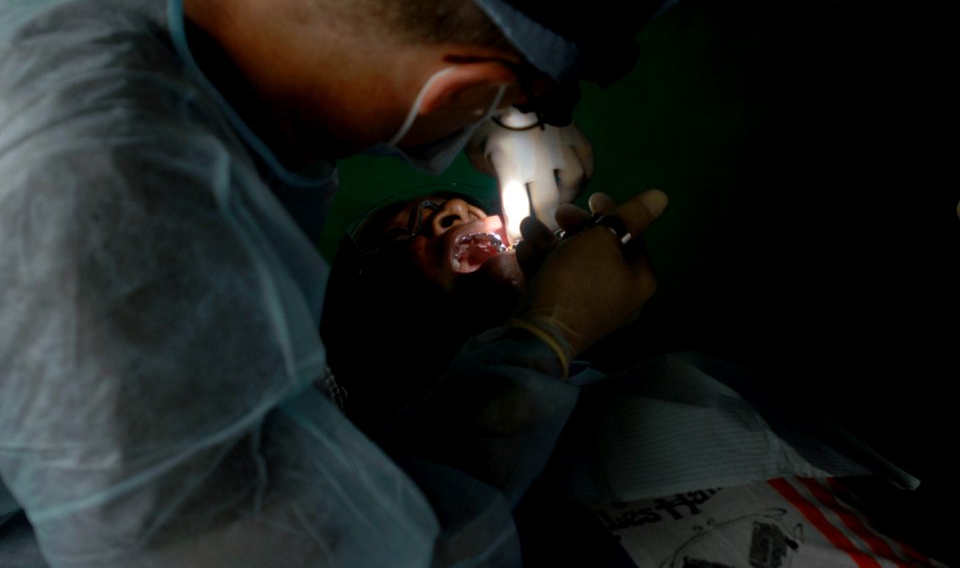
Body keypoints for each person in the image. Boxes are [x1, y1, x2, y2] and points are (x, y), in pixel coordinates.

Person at [0, 0, 676, 565]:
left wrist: (510, 108)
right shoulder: (106, 219)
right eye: (507, 94)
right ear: (454, 85)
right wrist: (546, 339)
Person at [320, 187, 949, 568]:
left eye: (443, 205)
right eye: (397, 239)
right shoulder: (382, 476)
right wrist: (544, 333)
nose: (446, 212)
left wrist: (558, 333)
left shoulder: (666, 385)